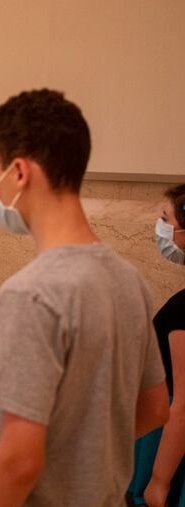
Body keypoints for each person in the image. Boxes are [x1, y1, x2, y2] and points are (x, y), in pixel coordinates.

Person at [0, 89, 169, 507]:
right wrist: (84, 453)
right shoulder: (129, 280)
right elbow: (155, 407)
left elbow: (17, 463)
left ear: (19, 172)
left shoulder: (31, 294)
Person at [128, 184, 185, 507]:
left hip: (167, 446)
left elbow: (184, 404)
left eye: (166, 219)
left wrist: (159, 483)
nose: (160, 227)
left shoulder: (183, 309)